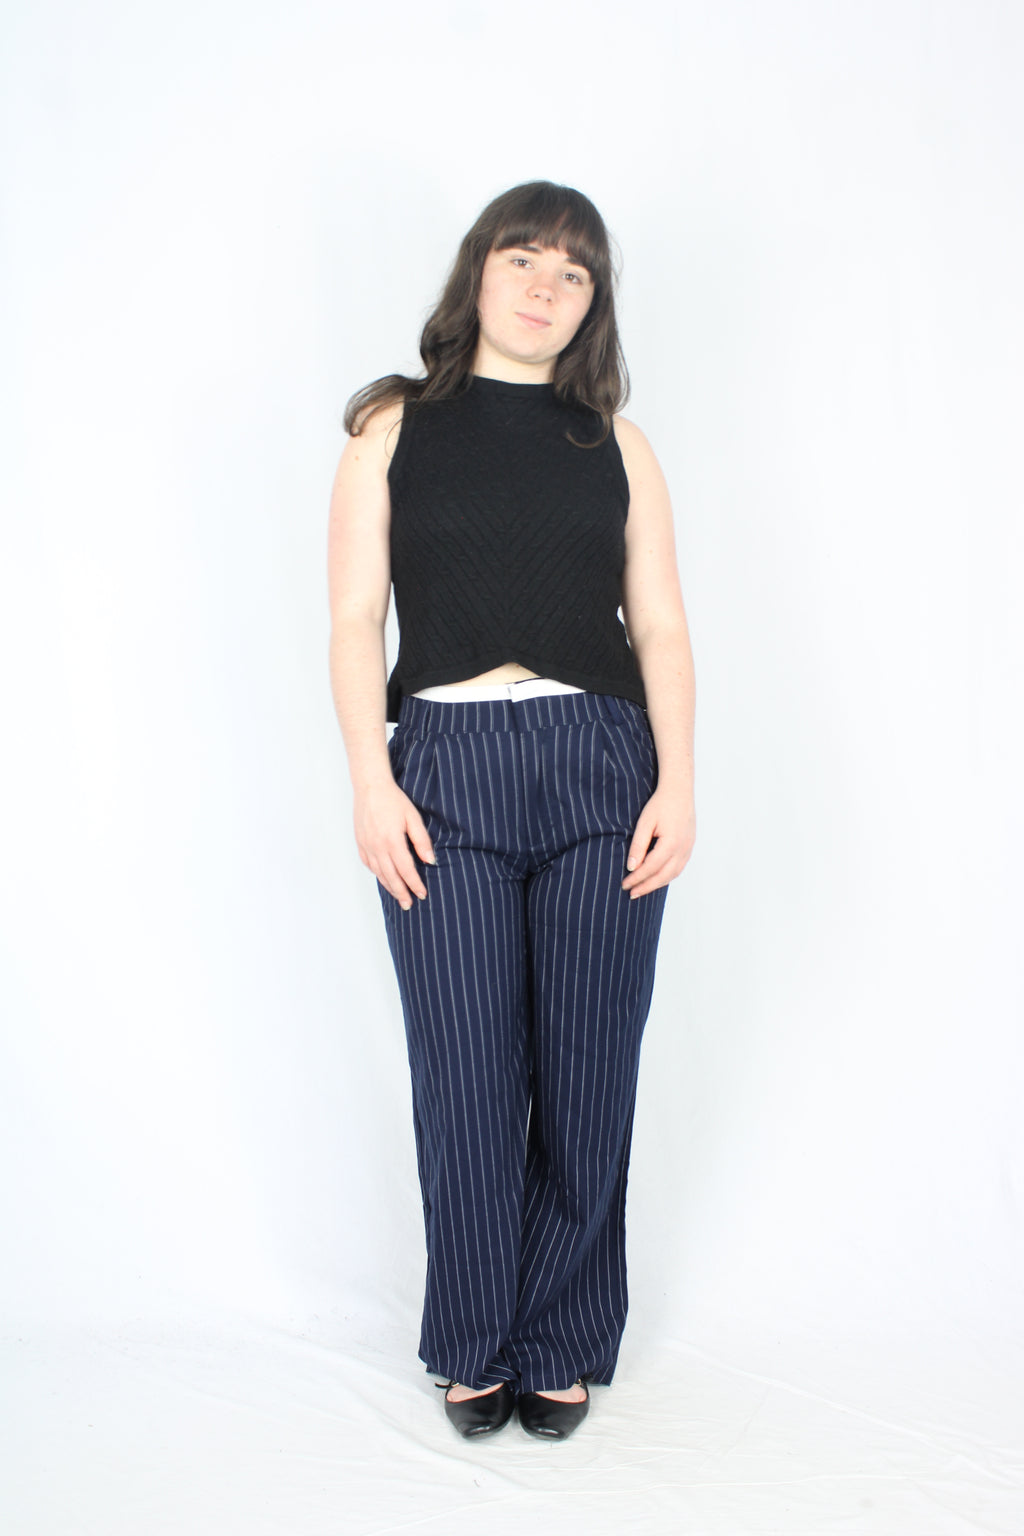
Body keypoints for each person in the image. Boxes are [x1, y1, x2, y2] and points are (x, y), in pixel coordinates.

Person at [327, 181, 696, 1441]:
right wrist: (371, 780)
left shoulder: (617, 447)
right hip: (443, 766)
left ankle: (561, 1339)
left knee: (589, 1070)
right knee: (466, 1071)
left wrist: (678, 783)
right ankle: (474, 1336)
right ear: (476, 272)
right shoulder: (390, 431)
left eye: (572, 273)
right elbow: (352, 620)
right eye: (523, 258)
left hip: (601, 764)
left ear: (593, 305)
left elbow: (659, 625)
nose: (544, 287)